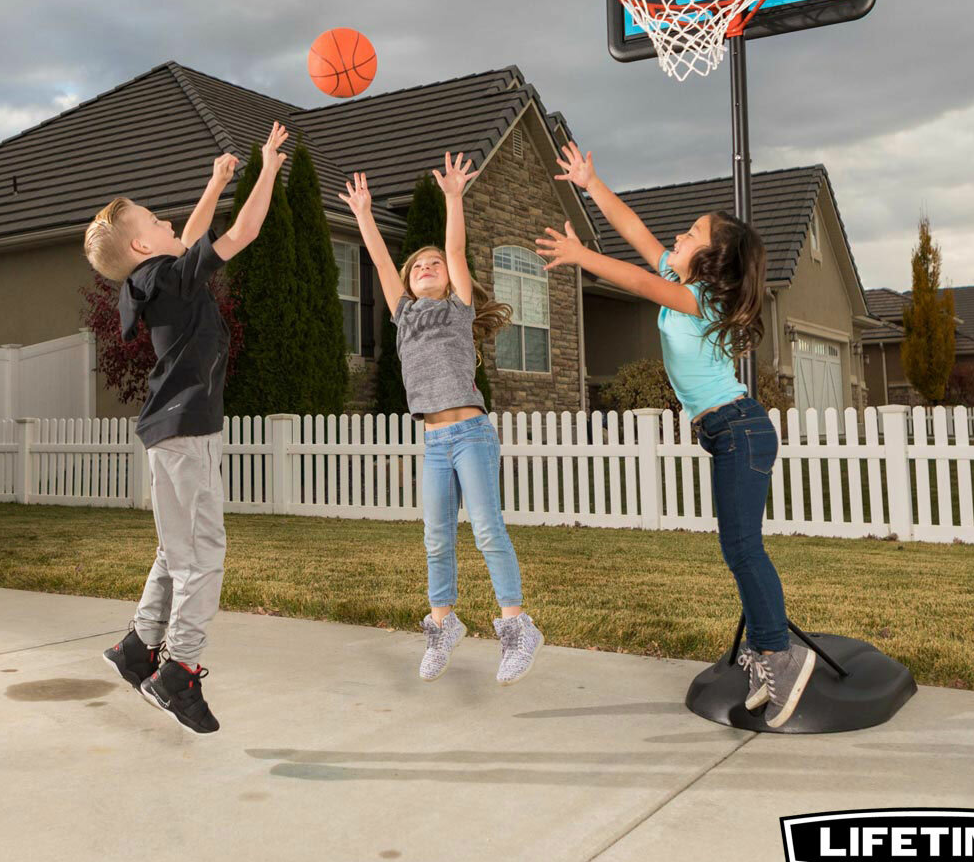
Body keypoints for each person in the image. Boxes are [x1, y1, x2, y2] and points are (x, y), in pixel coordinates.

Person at [540, 141, 814, 729]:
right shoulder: (684, 277)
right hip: (726, 432)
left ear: (713, 259)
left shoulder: (700, 299)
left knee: (743, 548)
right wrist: (592, 183)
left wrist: (581, 254)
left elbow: (639, 283)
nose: (678, 238)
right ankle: (766, 649)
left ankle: (780, 657)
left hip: (739, 429)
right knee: (738, 548)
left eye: (691, 234)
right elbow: (637, 233)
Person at [84, 121, 289, 733]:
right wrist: (268, 168)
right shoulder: (166, 276)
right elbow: (242, 232)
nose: (169, 223)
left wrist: (216, 180)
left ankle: (139, 647)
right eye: (154, 221)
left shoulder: (154, 279)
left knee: (175, 551)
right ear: (143, 247)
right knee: (203, 554)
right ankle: (179, 672)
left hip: (166, 431)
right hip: (187, 430)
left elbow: (188, 241)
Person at [339, 153, 544, 684]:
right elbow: (383, 266)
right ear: (410, 283)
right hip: (432, 441)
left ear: (450, 281)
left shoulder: (458, 309)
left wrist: (454, 197)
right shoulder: (404, 312)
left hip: (472, 434)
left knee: (487, 529)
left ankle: (518, 627)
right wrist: (363, 213)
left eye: (435, 265)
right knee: (436, 537)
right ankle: (442, 623)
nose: (427, 267)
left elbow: (455, 248)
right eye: (419, 266)